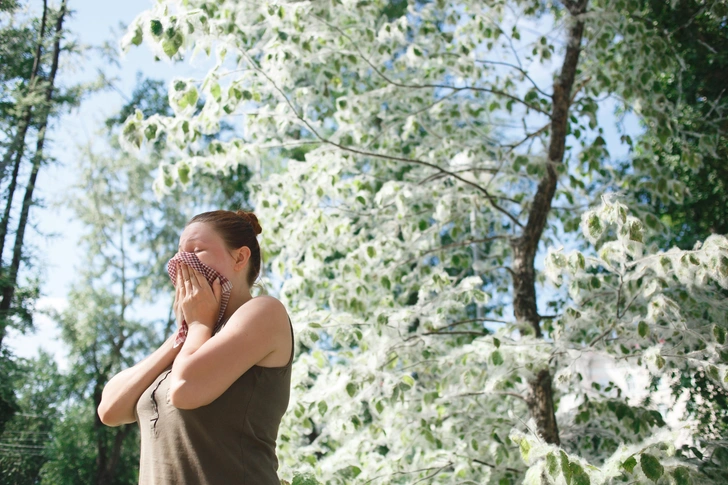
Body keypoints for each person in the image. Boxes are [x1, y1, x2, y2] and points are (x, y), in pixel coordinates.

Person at [98, 210, 293, 485]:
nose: (181, 261)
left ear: (240, 258)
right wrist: (182, 335)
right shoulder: (190, 342)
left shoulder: (264, 312)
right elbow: (110, 410)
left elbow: (184, 390)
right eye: (179, 253)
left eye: (197, 251)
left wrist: (200, 323)